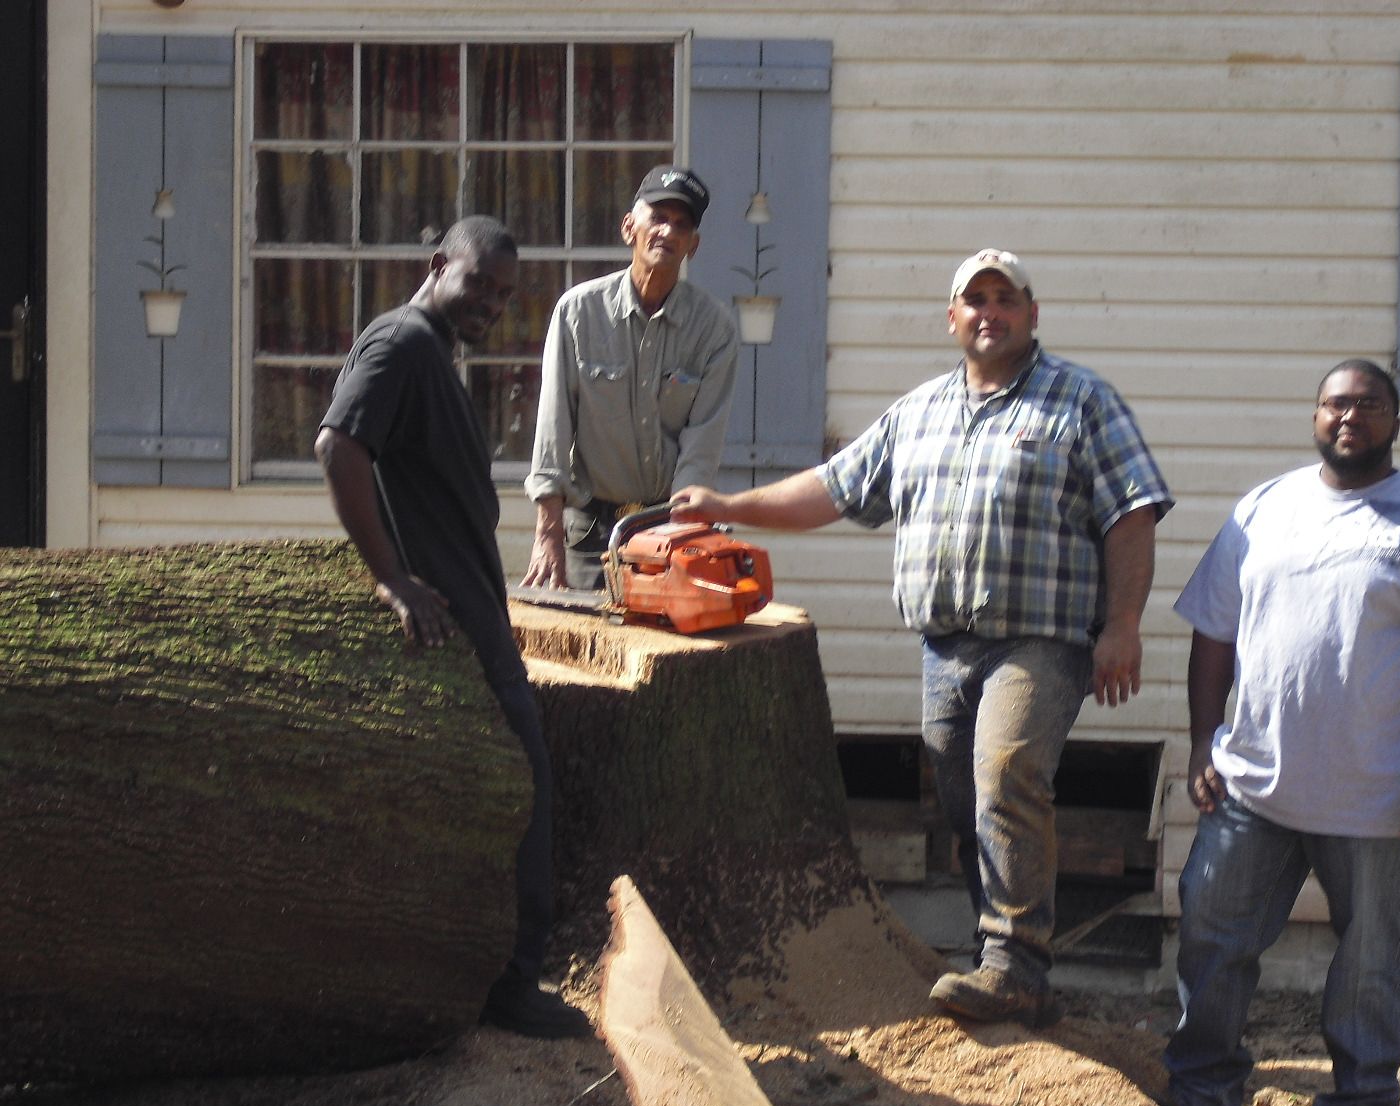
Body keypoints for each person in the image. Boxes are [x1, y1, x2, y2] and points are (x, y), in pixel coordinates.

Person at [671, 248, 1172, 1027]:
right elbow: (831, 489)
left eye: (1006, 300)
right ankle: (1003, 957)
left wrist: (1124, 626)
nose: (989, 314)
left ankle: (1014, 962)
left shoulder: (1081, 402)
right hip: (945, 645)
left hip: (1038, 641)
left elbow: (1131, 512)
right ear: (952, 318)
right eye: (975, 301)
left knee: (1007, 772)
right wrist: (729, 506)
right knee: (964, 798)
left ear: (1032, 315)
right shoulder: (921, 411)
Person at [1161, 359, 1400, 1106]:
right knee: (1213, 939)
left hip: (1373, 806)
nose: (1350, 417)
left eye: (1369, 405)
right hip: (1252, 787)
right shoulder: (1263, 509)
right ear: (1315, 416)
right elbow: (1212, 633)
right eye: (1336, 404)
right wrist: (1205, 740)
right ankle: (1202, 1092)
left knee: (1369, 969)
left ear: (1395, 422)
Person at [315, 215, 589, 1039]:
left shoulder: (429, 352)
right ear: (439, 265)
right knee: (528, 791)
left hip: (474, 615)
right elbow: (338, 447)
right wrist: (390, 576)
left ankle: (481, 972)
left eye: (506, 294)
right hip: (457, 628)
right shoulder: (401, 344)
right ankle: (514, 983)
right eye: (480, 284)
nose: (492, 304)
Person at [523, 164, 738, 590]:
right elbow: (553, 427)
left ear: (692, 246)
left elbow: (702, 445)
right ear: (629, 228)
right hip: (586, 532)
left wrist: (681, 533)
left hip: (665, 528)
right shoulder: (577, 313)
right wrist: (547, 530)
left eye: (681, 225)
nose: (668, 232)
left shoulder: (714, 328)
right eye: (657, 217)